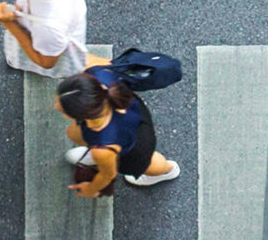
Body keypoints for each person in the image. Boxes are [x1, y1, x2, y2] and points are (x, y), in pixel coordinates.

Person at [59, 63, 179, 196]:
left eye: (64, 110)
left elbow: (107, 175)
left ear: (86, 114)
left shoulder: (104, 147)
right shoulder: (98, 75)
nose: (57, 107)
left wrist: (91, 188)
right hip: (133, 113)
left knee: (148, 164)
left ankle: (167, 170)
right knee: (77, 135)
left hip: (134, 148)